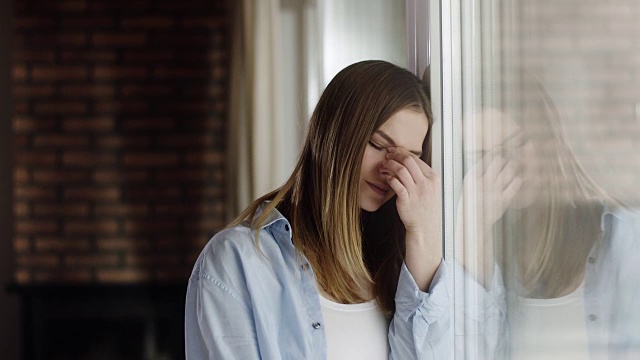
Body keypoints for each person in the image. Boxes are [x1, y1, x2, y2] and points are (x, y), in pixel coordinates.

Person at [185, 60, 451, 359]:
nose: (391, 170)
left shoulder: (396, 267)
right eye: (377, 144)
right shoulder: (239, 260)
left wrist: (423, 233)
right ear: (332, 135)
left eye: (410, 158)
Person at [456, 80, 640, 359]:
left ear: (550, 139)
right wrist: (474, 230)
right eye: (481, 156)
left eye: (517, 143)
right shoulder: (479, 253)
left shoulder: (623, 238)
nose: (506, 166)